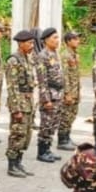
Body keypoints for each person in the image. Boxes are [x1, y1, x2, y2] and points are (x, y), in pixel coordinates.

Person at [4, 30, 38, 179]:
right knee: (17, 133)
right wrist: (16, 108)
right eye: (29, 43)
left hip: (28, 102)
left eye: (32, 42)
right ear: (20, 43)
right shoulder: (14, 60)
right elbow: (12, 87)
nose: (32, 45)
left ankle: (19, 162)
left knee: (26, 134)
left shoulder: (27, 58)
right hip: (20, 103)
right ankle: (12, 165)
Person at [34, 28, 63, 164]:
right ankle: (42, 151)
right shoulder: (42, 56)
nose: (57, 41)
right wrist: (46, 100)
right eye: (54, 38)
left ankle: (48, 148)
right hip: (49, 95)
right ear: (46, 40)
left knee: (53, 123)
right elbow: (42, 80)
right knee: (46, 123)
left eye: (58, 38)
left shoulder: (55, 53)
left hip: (58, 93)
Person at [57, 32, 81, 151]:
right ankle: (62, 140)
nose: (78, 41)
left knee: (72, 114)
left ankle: (67, 136)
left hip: (75, 90)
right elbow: (64, 75)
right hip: (69, 91)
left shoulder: (75, 54)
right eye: (75, 39)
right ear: (68, 41)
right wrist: (67, 93)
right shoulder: (65, 55)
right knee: (66, 115)